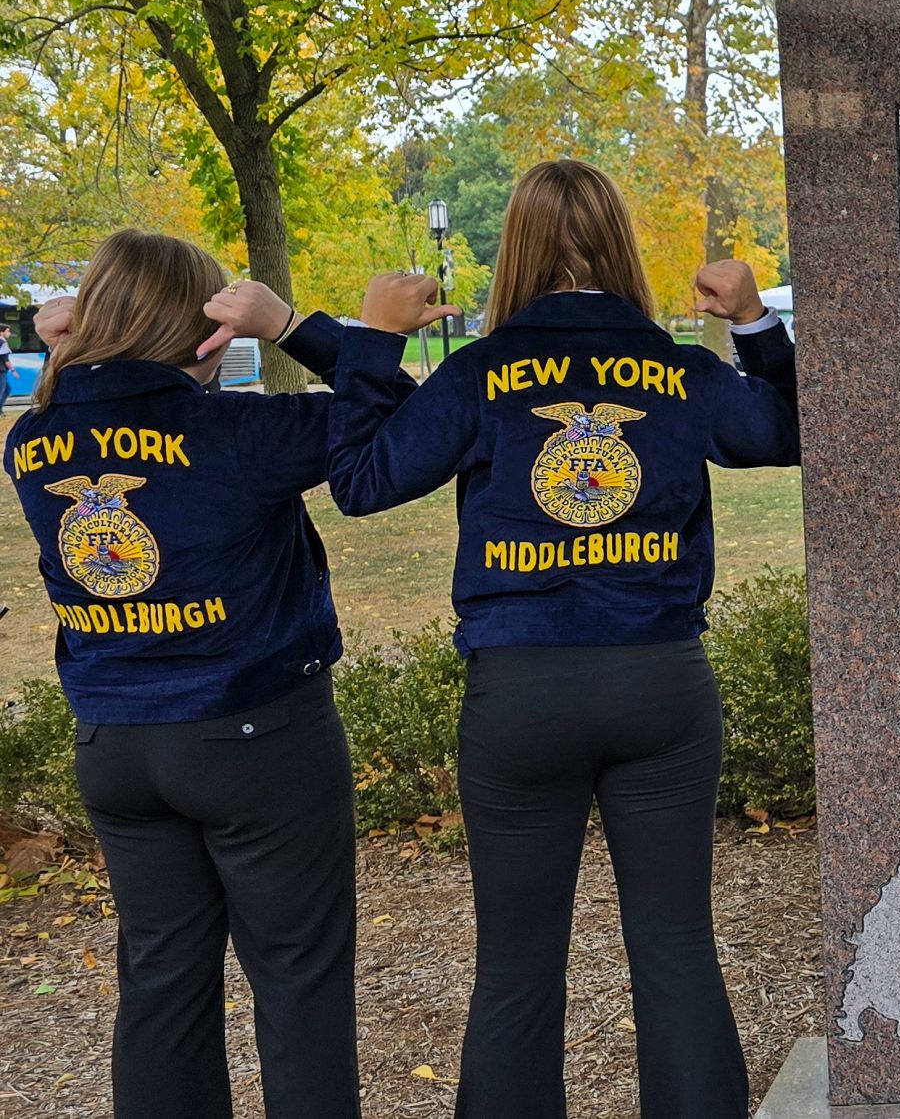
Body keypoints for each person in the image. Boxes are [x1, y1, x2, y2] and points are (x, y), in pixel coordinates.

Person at [324, 158, 799, 1118]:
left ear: (516, 256)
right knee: (675, 950)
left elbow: (361, 481)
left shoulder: (481, 373)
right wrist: (752, 323)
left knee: (513, 968)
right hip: (660, 682)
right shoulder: (676, 367)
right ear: (623, 249)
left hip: (521, 687)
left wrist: (374, 342)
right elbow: (793, 429)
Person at [5, 232, 368, 1119]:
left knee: (161, 986)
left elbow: (87, 392)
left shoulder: (36, 436)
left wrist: (59, 343)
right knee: (299, 986)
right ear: (208, 331)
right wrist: (294, 327)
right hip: (257, 734)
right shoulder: (240, 429)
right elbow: (387, 407)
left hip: (116, 743)